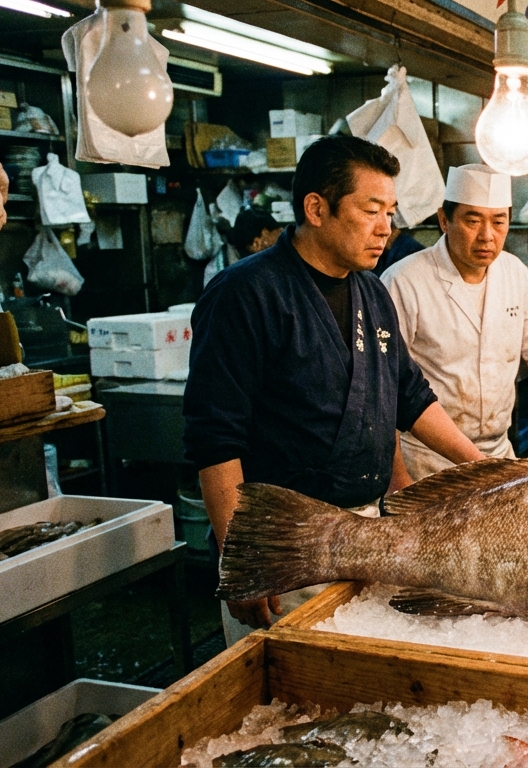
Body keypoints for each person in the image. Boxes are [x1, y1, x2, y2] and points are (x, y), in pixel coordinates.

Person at [183, 136, 485, 641]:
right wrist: (240, 557)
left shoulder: (372, 290)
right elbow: (214, 438)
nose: (386, 229)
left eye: (390, 212)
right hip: (283, 542)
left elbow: (404, 397)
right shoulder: (245, 294)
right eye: (371, 210)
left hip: (367, 536)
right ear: (317, 208)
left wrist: (484, 470)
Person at [382, 164, 528, 480]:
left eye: (499, 221)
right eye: (472, 220)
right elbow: (385, 390)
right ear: (444, 220)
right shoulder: (404, 280)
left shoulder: (514, 272)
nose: (487, 236)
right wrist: (397, 476)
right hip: (427, 462)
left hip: (498, 455)